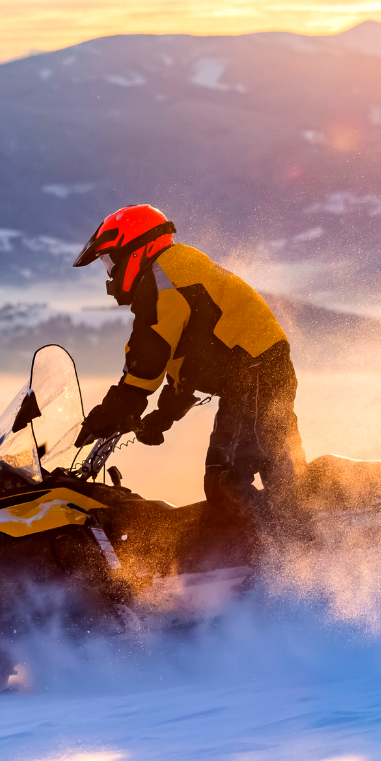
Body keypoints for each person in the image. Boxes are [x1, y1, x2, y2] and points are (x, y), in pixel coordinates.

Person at [72, 204, 305, 532]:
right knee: (281, 473)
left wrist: (109, 414)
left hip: (253, 373)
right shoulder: (176, 269)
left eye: (111, 261)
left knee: (225, 480)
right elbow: (186, 362)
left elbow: (149, 357)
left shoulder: (163, 277)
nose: (110, 273)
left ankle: (285, 557)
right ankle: (313, 529)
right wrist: (162, 416)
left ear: (137, 249)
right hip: (260, 371)